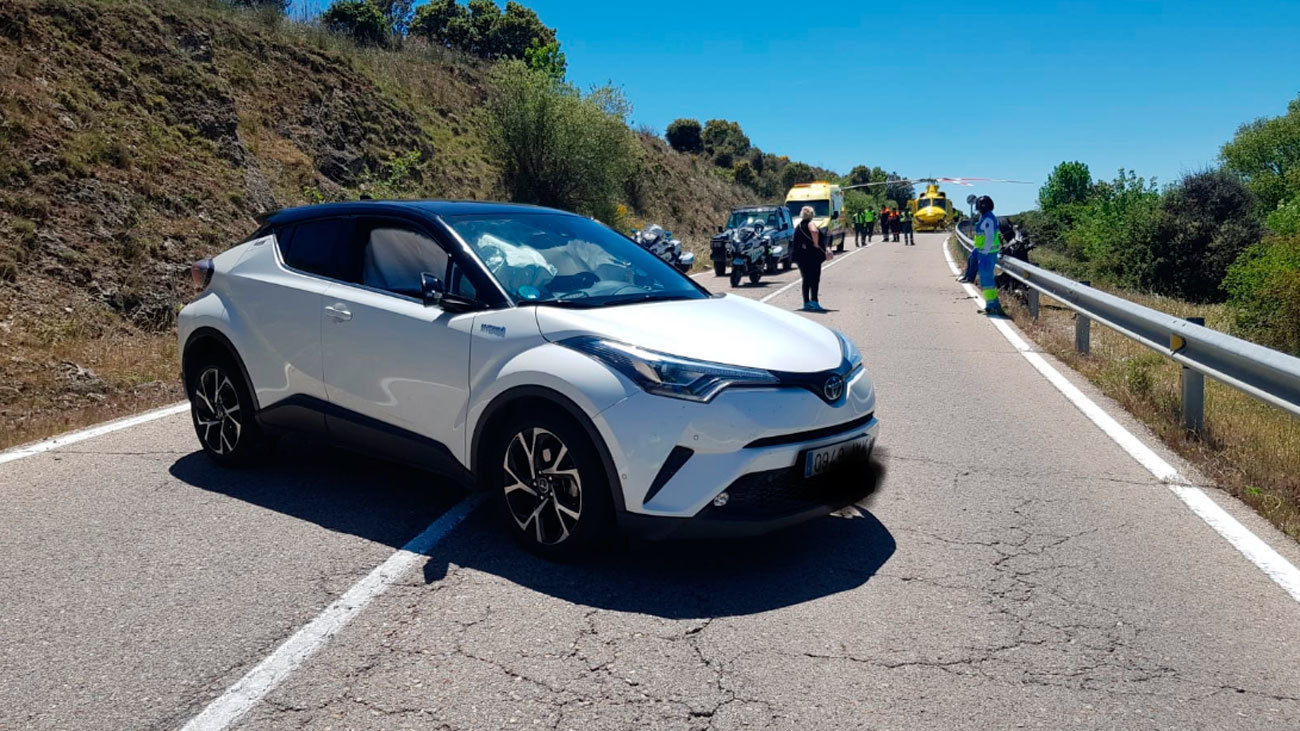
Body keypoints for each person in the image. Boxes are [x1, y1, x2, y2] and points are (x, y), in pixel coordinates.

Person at [972, 195, 1004, 316]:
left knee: (987, 281)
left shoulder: (988, 219)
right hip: (985, 253)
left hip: (987, 254)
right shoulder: (986, 217)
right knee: (986, 280)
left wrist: (984, 252)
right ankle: (990, 305)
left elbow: (989, 237)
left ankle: (993, 305)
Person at [792, 205, 828, 312]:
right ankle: (814, 301)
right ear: (812, 215)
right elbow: (814, 232)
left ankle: (806, 303)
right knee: (815, 279)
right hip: (812, 256)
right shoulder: (810, 224)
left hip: (801, 257)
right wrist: (816, 244)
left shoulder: (799, 226)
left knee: (806, 279)